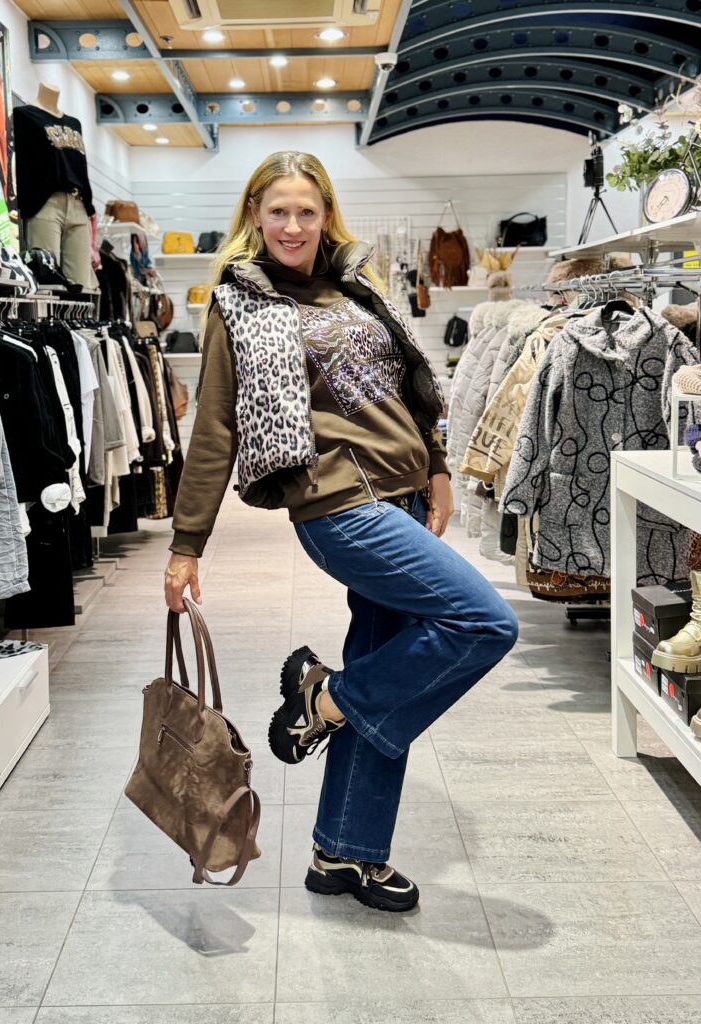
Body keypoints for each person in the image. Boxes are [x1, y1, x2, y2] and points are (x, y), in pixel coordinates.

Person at [164, 151, 518, 912]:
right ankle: (322, 700)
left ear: (326, 216)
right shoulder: (240, 303)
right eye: (278, 211)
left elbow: (409, 388)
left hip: (403, 497)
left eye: (307, 211)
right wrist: (186, 544)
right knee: (486, 621)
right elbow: (215, 429)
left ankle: (343, 852)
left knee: (386, 675)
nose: (292, 226)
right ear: (255, 215)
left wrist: (437, 467)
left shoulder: (358, 284)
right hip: (338, 507)